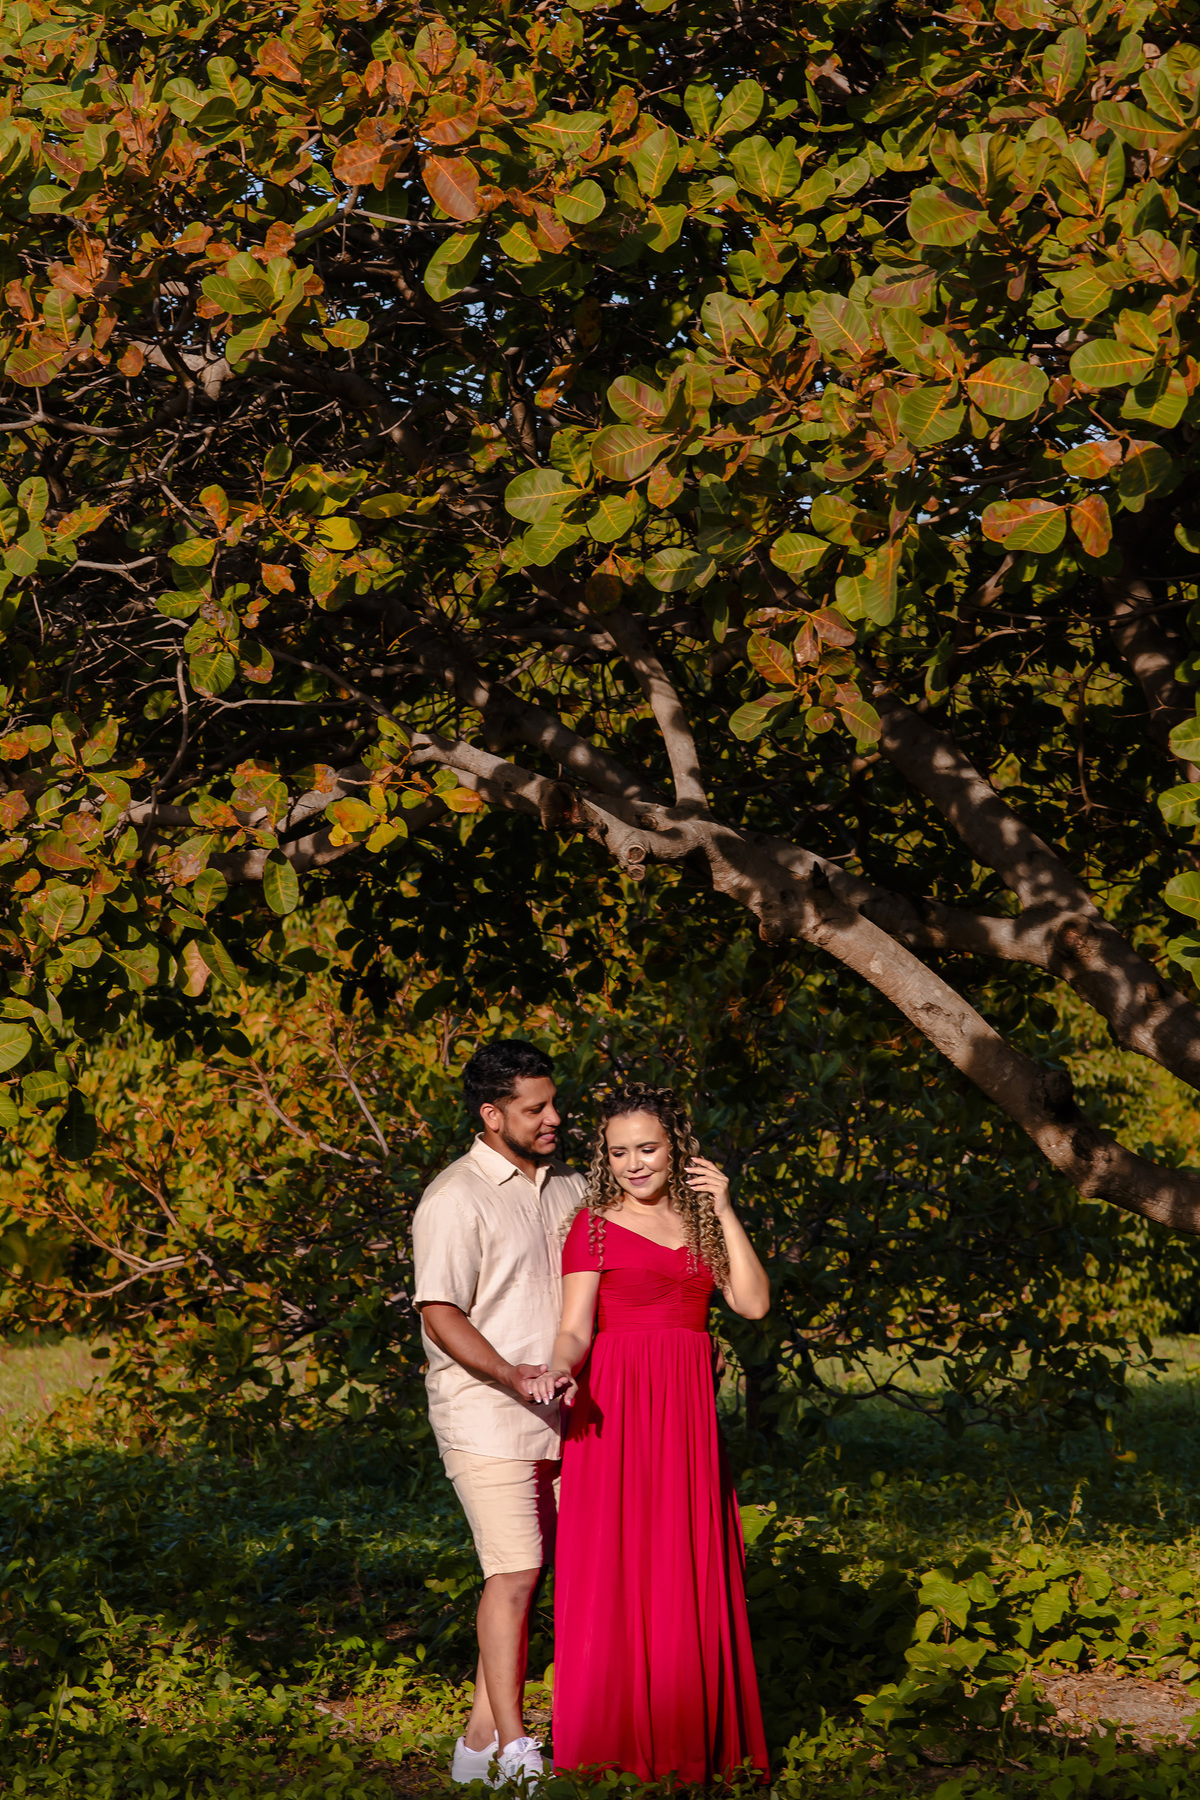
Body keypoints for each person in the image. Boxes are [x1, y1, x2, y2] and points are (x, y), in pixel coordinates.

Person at [534, 1081, 771, 1783]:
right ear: (605, 1159)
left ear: (677, 1147)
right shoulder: (595, 1224)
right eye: (619, 1152)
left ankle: (689, 1740)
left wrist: (724, 1208)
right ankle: (613, 1743)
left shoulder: (702, 1222)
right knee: (616, 1562)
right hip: (617, 1404)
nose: (635, 1163)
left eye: (648, 1148)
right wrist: (559, 1369)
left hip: (686, 1411)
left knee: (686, 1556)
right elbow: (576, 1325)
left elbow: (752, 1303)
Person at [412, 1039, 585, 1786]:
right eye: (535, 1108)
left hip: (571, 1417)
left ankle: (477, 1747)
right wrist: (513, 1374)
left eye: (553, 1102)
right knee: (513, 1574)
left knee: (542, 1575)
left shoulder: (573, 1184)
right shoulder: (455, 1196)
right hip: (486, 1417)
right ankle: (518, 1751)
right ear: (491, 1115)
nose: (554, 1117)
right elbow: (439, 1312)